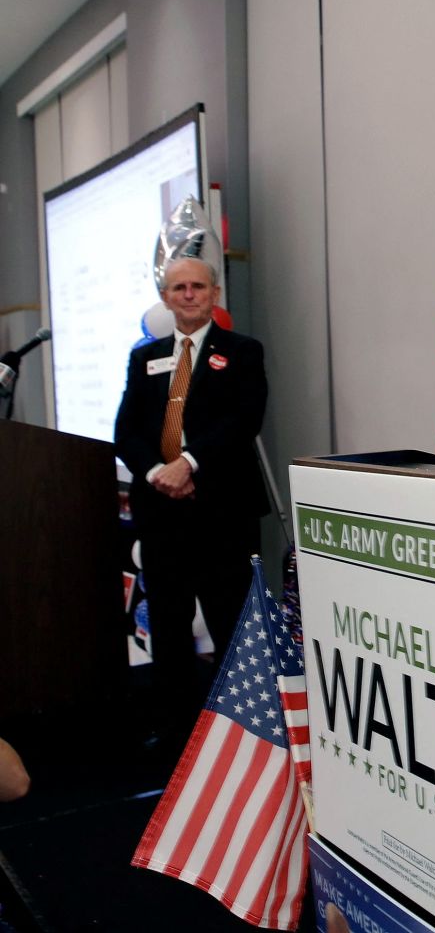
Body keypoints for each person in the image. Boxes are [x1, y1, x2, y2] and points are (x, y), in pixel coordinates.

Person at [115, 255, 269, 747]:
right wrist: (161, 471)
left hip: (222, 510)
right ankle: (177, 728)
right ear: (165, 297)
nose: (188, 294)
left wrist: (190, 462)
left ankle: (238, 731)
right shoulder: (145, 358)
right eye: (178, 287)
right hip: (162, 511)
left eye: (197, 287)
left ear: (214, 295)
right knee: (168, 620)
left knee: (230, 620)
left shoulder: (243, 351)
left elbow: (245, 419)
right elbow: (127, 430)